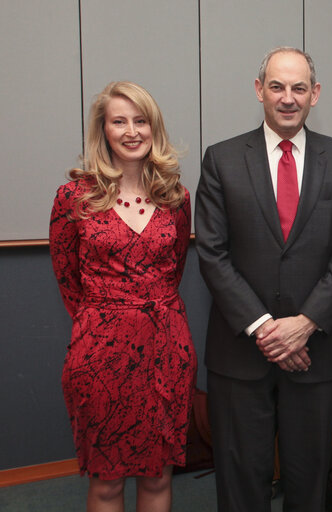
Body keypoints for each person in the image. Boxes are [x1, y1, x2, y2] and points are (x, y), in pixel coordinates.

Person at [195, 47, 332, 512]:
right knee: (240, 481)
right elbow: (212, 253)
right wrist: (266, 328)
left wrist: (305, 323)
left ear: (315, 94)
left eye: (297, 88)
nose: (287, 98)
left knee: (308, 478)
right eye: (276, 86)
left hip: (315, 353)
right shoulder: (222, 159)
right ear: (259, 91)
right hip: (240, 353)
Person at [49, 81, 196, 512]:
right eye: (119, 121)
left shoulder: (175, 197)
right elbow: (66, 278)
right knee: (107, 484)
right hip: (100, 354)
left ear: (154, 128)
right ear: (103, 131)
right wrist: (108, 321)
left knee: (157, 477)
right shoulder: (73, 198)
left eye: (141, 121)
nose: (132, 131)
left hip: (166, 350)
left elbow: (176, 271)